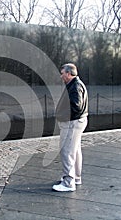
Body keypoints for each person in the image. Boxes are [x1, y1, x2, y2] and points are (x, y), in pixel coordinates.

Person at [53, 63, 88, 192]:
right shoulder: (76, 84)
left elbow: (76, 106)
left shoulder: (75, 86)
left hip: (72, 123)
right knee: (75, 151)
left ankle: (68, 182)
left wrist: (62, 115)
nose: (61, 76)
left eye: (62, 73)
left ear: (68, 73)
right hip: (77, 122)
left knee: (66, 151)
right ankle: (76, 178)